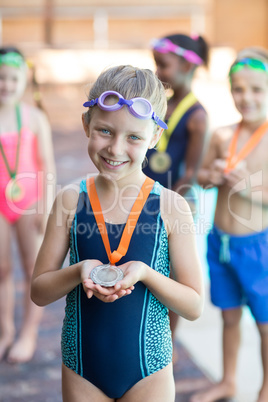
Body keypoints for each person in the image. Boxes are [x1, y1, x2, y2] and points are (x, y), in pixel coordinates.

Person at [31, 65, 204, 402]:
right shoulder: (70, 200)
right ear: (86, 125)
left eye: (134, 137)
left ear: (154, 137)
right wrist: (78, 271)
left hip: (148, 372)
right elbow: (39, 291)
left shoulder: (171, 207)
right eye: (105, 131)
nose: (116, 148)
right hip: (82, 368)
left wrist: (146, 274)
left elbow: (194, 305)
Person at [190, 47, 268, 402]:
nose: (246, 97)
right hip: (219, 241)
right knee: (229, 315)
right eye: (238, 89)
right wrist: (214, 173)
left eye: (256, 89)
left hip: (257, 246)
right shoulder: (223, 135)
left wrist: (245, 188)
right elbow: (201, 178)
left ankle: (265, 388)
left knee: (265, 324)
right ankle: (229, 380)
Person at [143, 33, 209, 353]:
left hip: (172, 205)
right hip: (145, 198)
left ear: (186, 64)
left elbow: (188, 174)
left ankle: (164, 346)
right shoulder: (159, 105)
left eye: (163, 65)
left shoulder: (197, 117)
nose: (158, 72)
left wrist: (167, 208)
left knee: (172, 277)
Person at [0, 46, 56, 363]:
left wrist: (45, 207)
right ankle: (5, 330)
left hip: (29, 202)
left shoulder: (34, 119)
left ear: (25, 80)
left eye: (12, 78)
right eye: (0, 78)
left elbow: (47, 165)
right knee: (2, 269)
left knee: (33, 269)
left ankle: (28, 332)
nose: (5, 84)